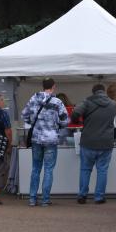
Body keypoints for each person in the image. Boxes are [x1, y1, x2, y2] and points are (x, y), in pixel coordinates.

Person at [21, 78, 70, 207]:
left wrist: (33, 123)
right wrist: (56, 124)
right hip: (51, 139)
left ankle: (32, 198)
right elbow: (65, 120)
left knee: (35, 168)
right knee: (49, 169)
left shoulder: (33, 99)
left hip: (36, 138)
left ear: (43, 86)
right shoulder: (57, 101)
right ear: (53, 86)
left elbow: (24, 114)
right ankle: (45, 199)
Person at [77, 83, 116, 204]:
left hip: (88, 141)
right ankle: (99, 197)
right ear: (103, 91)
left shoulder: (87, 101)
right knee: (102, 170)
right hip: (105, 142)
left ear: (93, 92)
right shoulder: (112, 104)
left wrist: (78, 121)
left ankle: (82, 195)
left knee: (85, 169)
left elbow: (75, 113)